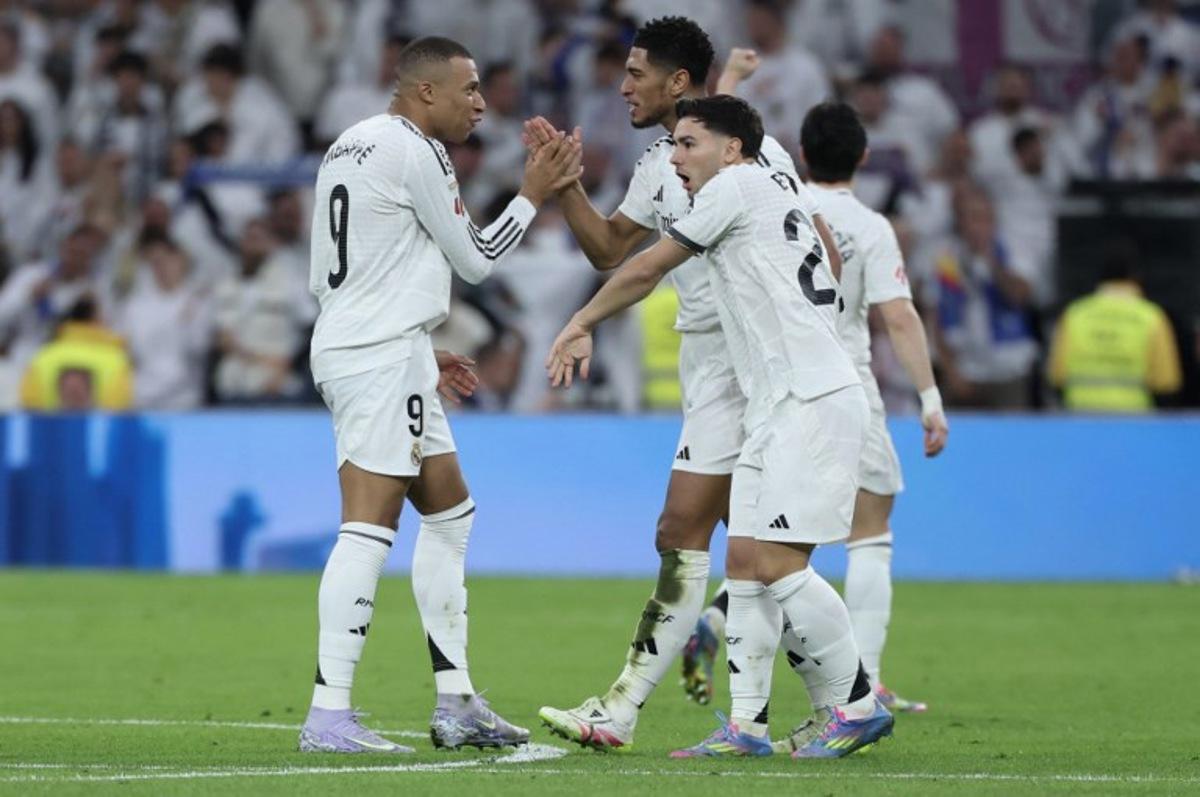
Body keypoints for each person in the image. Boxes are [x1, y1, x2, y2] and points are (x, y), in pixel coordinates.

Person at [525, 17, 842, 752]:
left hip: (749, 365)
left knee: (714, 541)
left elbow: (807, 244)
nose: (623, 86)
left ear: (677, 83)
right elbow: (610, 246)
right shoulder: (659, 164)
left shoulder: (746, 157)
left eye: (636, 73)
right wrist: (566, 185)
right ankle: (821, 702)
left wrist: (582, 321)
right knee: (739, 550)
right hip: (716, 369)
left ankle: (631, 707)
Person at [297, 36, 579, 754]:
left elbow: (354, 269)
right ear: (426, 91)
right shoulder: (418, 150)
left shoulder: (350, 143)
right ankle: (328, 714)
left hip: (375, 346)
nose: (481, 103)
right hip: (378, 356)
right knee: (368, 526)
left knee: (451, 513)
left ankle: (457, 701)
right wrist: (533, 194)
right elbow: (476, 260)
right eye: (470, 88)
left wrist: (420, 349)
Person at [683, 102, 950, 750]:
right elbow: (898, 315)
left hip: (783, 388)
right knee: (860, 535)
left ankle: (811, 687)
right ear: (863, 158)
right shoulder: (870, 225)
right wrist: (930, 397)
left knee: (773, 554)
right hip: (836, 384)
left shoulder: (780, 194)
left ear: (801, 153)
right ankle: (858, 688)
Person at [1048, 241, 1182, 412]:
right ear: (1136, 275)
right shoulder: (1152, 317)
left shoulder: (1075, 314)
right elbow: (1166, 381)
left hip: (1080, 414)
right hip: (1133, 416)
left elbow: (1057, 375)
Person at [20, 295, 133, 412]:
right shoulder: (116, 360)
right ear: (95, 320)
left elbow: (29, 405)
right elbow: (121, 409)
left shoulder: (43, 356)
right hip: (98, 424)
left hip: (47, 424)